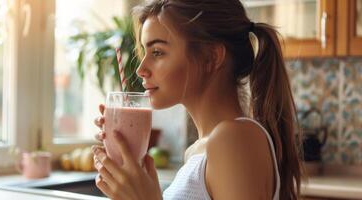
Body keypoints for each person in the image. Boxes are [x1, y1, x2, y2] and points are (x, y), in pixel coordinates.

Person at [92, 0, 303, 199]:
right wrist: (129, 166)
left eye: (157, 52)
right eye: (144, 52)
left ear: (211, 57)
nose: (140, 69)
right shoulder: (198, 152)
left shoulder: (233, 139)